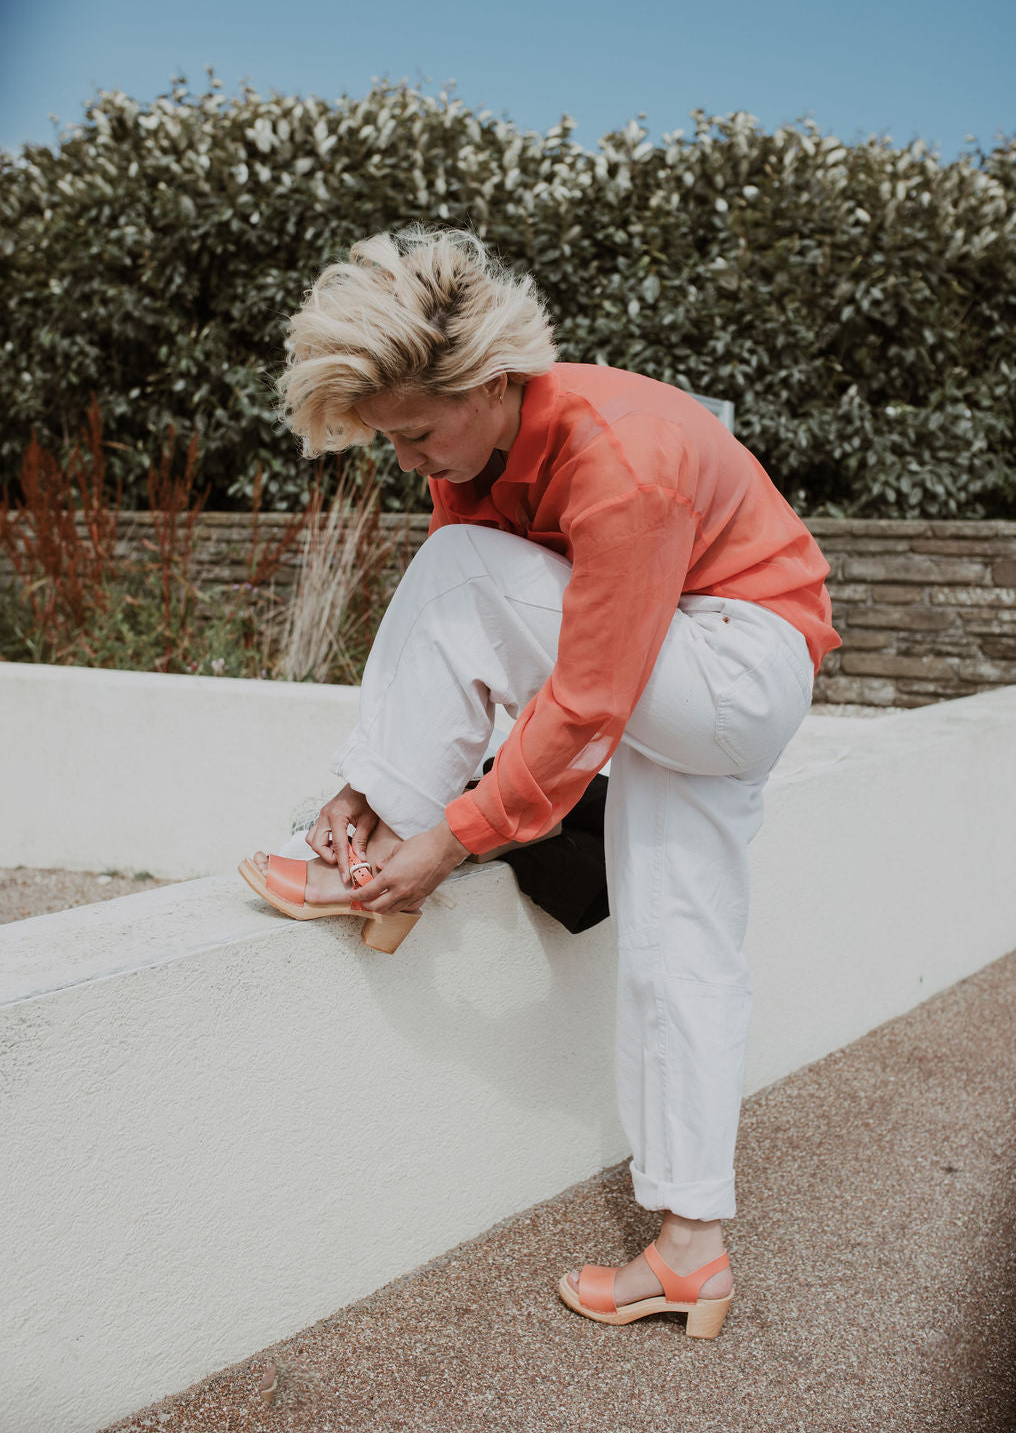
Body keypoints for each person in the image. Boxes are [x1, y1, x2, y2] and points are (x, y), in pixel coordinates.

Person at [246, 225, 841, 1337]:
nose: (411, 462)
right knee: (682, 947)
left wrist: (438, 833)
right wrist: (369, 790)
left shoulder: (615, 454)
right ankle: (689, 1251)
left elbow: (582, 696)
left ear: (489, 381)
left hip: (728, 659)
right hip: (715, 676)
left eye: (418, 433)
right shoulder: (475, 458)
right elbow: (471, 657)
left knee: (460, 566)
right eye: (389, 443)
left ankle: (376, 866)